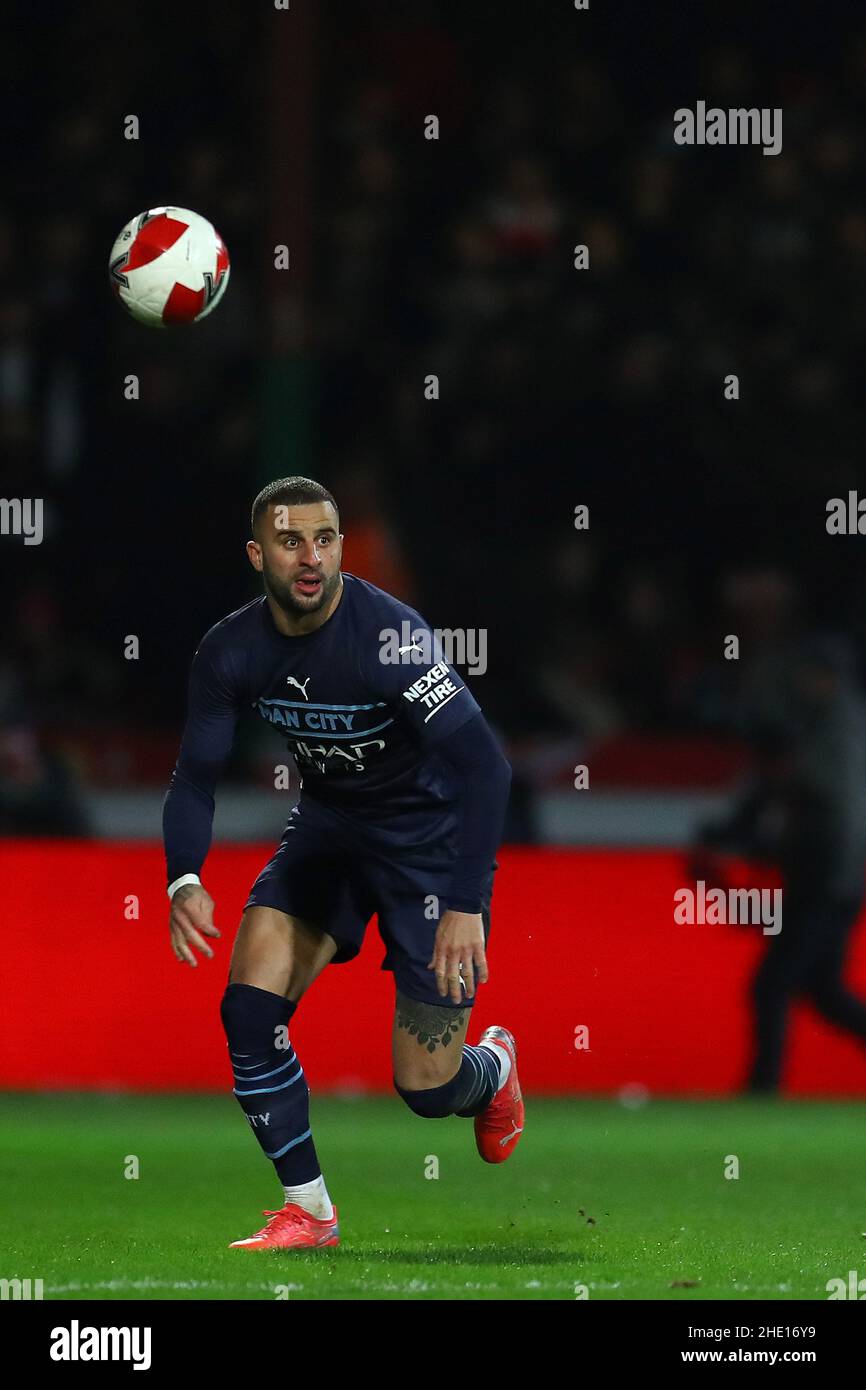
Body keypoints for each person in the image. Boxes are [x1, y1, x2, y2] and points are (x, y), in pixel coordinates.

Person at [162, 476, 519, 1249]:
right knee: (247, 1012)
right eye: (291, 541)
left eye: (325, 539)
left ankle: (492, 1069)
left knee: (425, 1091)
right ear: (259, 554)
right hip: (330, 834)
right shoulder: (231, 649)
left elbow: (487, 769)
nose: (311, 556)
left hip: (428, 853)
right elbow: (195, 778)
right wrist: (184, 878)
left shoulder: (390, 638)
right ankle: (312, 1214)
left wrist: (464, 904)